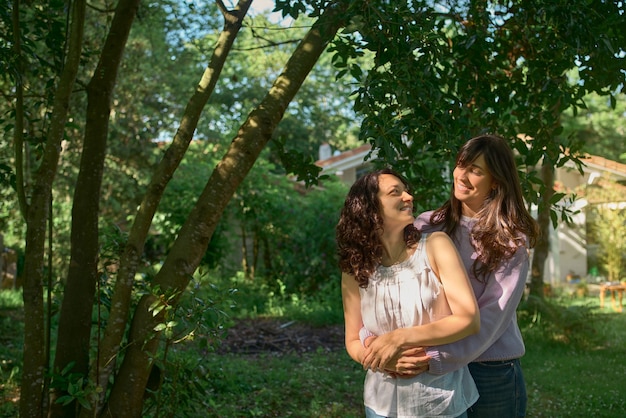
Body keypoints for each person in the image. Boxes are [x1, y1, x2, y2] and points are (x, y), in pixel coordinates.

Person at [362, 134, 539, 418]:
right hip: (434, 372)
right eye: (461, 165)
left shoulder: (510, 241)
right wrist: (372, 339)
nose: (463, 176)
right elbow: (392, 284)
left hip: (489, 369)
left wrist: (435, 357)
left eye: (476, 171)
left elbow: (495, 314)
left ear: (496, 181)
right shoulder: (427, 225)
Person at [337, 168, 481, 418]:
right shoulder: (355, 269)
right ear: (369, 208)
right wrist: (381, 360)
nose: (409, 197)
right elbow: (352, 341)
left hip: (440, 401)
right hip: (381, 405)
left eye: (407, 191)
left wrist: (400, 338)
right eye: (396, 192)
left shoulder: (436, 246)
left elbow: (469, 319)